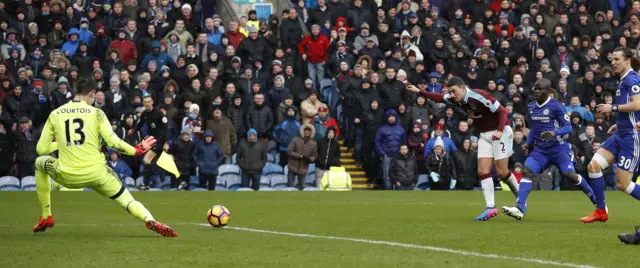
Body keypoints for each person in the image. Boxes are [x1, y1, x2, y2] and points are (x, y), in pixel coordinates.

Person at [32, 78, 177, 237]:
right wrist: (136, 150)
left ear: (75, 92)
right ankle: (149, 219)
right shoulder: (97, 113)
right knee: (127, 200)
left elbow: (41, 149)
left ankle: (46, 216)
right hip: (97, 174)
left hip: (67, 174)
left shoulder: (56, 114)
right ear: (92, 93)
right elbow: (113, 142)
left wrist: (60, 143)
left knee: (40, 163)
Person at [407, 76, 518, 221]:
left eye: (454, 91)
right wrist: (419, 91)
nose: (452, 95)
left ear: (462, 88)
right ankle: (491, 207)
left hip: (501, 131)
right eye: (450, 92)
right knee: (482, 170)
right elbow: (440, 98)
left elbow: (502, 111)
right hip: (484, 134)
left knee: (502, 172)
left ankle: (521, 200)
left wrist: (499, 130)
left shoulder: (479, 96)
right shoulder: (455, 98)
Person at [501, 78, 596, 220]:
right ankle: (520, 208)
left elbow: (568, 127)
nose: (536, 91)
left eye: (540, 89)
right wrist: (528, 142)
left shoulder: (556, 106)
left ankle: (598, 202)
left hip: (559, 149)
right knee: (527, 172)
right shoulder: (531, 106)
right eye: (535, 89)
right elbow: (534, 128)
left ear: (549, 91)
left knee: (570, 175)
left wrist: (554, 133)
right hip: (541, 150)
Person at [583, 48, 640, 232]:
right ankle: (600, 210)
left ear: (628, 60)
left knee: (622, 184)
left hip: (631, 138)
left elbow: (638, 103)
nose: (613, 62)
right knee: (593, 166)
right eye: (612, 59)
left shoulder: (632, 79)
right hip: (620, 134)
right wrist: (619, 124)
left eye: (617, 59)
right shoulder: (624, 80)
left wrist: (612, 108)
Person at [135, 95, 171, 190]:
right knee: (149, 161)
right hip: (153, 141)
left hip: (160, 141)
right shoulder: (145, 113)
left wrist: (166, 142)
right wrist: (133, 131)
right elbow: (140, 123)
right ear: (143, 103)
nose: (147, 104)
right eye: (145, 102)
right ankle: (148, 182)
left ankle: (147, 183)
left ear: (152, 102)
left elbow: (166, 127)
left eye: (148, 102)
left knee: (147, 160)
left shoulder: (158, 113)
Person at [374, 109, 406, 190]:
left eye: (393, 116)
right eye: (389, 117)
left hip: (398, 156)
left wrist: (402, 153)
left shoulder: (401, 129)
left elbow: (404, 142)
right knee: (387, 176)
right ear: (387, 118)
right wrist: (383, 153)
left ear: (396, 117)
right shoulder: (382, 129)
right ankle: (388, 192)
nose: (391, 118)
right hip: (387, 156)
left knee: (399, 175)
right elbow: (377, 142)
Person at [287, 124, 317, 190]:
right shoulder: (295, 139)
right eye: (306, 130)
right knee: (290, 187)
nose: (307, 132)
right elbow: (289, 151)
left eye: (309, 131)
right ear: (302, 131)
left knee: (302, 187)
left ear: (311, 132)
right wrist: (300, 156)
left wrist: (310, 159)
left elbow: (314, 155)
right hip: (292, 166)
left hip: (303, 168)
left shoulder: (313, 143)